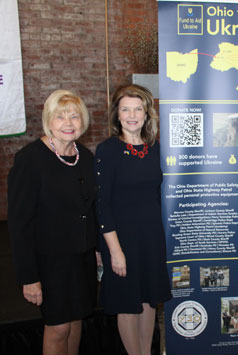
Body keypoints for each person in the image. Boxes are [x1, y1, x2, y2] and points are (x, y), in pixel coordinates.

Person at [8, 90, 97, 355]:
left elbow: (90, 210)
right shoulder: (29, 161)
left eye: (74, 116)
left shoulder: (85, 157)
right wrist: (29, 278)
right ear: (49, 120)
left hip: (81, 260)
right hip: (49, 263)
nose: (68, 123)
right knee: (58, 328)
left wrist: (97, 249)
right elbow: (19, 225)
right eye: (60, 116)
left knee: (77, 319)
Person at [95, 84, 172, 355]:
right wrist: (114, 252)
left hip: (150, 238)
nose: (131, 115)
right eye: (125, 109)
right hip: (121, 240)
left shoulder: (154, 148)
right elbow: (101, 206)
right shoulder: (107, 150)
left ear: (147, 113)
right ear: (116, 114)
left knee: (149, 301)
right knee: (128, 303)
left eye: (137, 109)